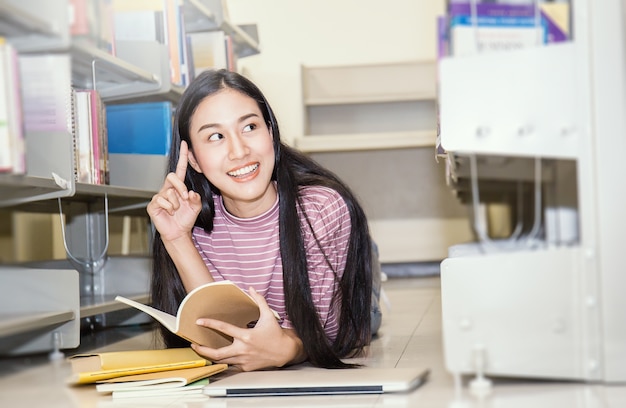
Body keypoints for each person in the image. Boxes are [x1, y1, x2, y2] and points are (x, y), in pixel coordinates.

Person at [147, 68, 382, 372]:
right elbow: (217, 332)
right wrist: (177, 239)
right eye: (216, 136)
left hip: (342, 280)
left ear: (270, 132)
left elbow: (329, 334)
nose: (239, 150)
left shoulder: (321, 208)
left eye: (249, 127)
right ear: (193, 159)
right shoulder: (192, 220)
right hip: (274, 313)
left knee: (367, 319)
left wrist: (288, 349)